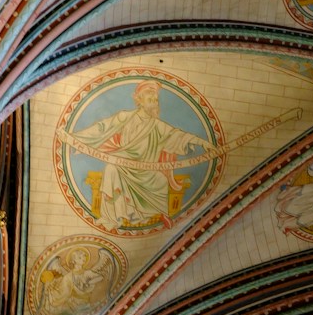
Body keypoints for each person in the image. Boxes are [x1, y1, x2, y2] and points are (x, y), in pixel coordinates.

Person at [61, 78, 214, 227]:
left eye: (155, 97)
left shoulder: (158, 126)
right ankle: (111, 218)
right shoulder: (125, 117)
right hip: (122, 166)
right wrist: (77, 139)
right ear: (139, 99)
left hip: (146, 170)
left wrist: (201, 142)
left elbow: (178, 135)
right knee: (110, 170)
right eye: (150, 95)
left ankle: (149, 215)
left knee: (160, 180)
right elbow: (102, 127)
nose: (154, 99)